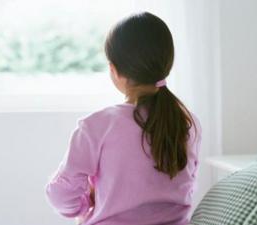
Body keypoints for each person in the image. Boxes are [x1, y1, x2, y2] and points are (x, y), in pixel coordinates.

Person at [45, 12, 201, 225]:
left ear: (114, 70)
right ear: (166, 65)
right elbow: (187, 186)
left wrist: (85, 205)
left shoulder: (97, 126)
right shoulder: (187, 123)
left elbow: (61, 195)